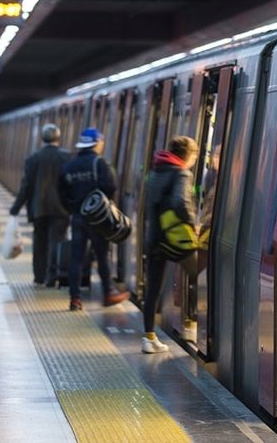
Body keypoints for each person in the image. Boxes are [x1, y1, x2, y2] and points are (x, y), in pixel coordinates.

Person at [58, 127, 129, 311]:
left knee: (77, 257)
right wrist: (103, 207)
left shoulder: (68, 166)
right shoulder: (100, 163)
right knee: (102, 256)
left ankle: (75, 298)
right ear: (97, 143)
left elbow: (61, 193)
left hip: (78, 218)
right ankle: (108, 293)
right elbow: (111, 187)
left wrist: (73, 209)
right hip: (98, 219)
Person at [142, 136, 200, 353]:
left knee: (153, 289)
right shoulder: (182, 173)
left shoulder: (156, 170)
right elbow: (180, 201)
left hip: (155, 237)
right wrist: (192, 222)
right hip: (176, 237)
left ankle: (148, 337)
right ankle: (191, 324)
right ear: (188, 155)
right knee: (198, 275)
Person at [10, 124, 72, 286]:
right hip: (61, 208)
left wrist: (16, 208)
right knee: (57, 241)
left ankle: (39, 276)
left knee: (39, 243)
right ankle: (52, 277)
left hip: (39, 208)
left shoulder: (33, 158)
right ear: (58, 138)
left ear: (42, 139)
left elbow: (26, 186)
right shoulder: (66, 157)